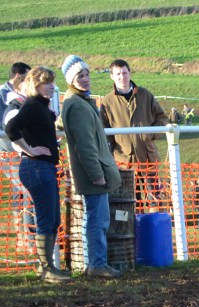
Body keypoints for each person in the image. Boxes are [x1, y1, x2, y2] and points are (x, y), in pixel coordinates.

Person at [4, 66, 72, 283]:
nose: (51, 86)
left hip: (44, 167)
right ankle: (46, 268)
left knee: (52, 219)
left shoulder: (41, 106)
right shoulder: (33, 105)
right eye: (46, 82)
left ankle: (47, 266)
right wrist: (29, 150)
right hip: (35, 167)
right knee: (46, 218)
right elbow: (11, 128)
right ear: (36, 85)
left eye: (52, 82)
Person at [59, 55, 123, 278]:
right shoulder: (77, 105)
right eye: (80, 76)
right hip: (94, 173)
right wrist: (96, 174)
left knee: (95, 218)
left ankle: (95, 263)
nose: (86, 79)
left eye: (86, 74)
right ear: (71, 80)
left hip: (94, 171)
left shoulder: (77, 101)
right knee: (98, 220)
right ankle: (97, 264)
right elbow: (85, 145)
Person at [100, 59, 168, 200]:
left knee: (155, 199)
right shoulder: (107, 102)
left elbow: (162, 118)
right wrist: (114, 146)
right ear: (112, 76)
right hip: (124, 162)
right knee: (130, 201)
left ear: (130, 73)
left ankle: (153, 215)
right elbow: (103, 128)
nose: (122, 77)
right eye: (118, 74)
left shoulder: (145, 95)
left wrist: (150, 135)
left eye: (124, 73)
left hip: (148, 158)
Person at [1, 62, 31, 152]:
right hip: (8, 146)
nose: (30, 80)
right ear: (18, 76)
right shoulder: (2, 95)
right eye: (28, 77)